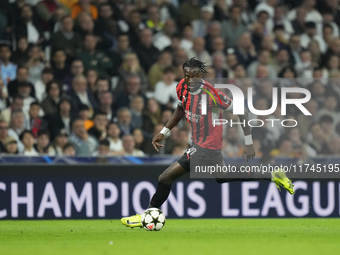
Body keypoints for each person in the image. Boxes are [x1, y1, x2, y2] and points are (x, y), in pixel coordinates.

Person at [121, 58, 295, 228]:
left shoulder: (211, 93)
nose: (190, 79)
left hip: (206, 147)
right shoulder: (181, 86)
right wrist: (163, 132)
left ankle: (148, 214)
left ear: (201, 76)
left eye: (194, 76)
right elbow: (180, 109)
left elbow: (242, 112)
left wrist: (248, 142)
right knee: (222, 177)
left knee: (165, 178)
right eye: (187, 75)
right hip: (201, 144)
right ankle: (272, 175)